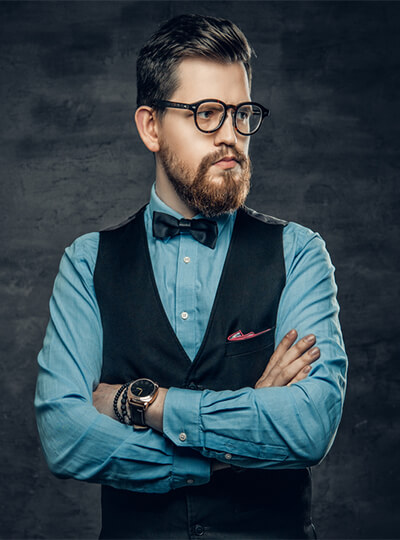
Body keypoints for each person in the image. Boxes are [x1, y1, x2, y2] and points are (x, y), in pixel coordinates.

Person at [35, 14, 347, 540]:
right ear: (151, 127)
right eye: (206, 113)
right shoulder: (87, 263)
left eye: (241, 114)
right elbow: (65, 437)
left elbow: (309, 426)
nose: (231, 136)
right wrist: (220, 452)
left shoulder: (298, 253)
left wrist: (144, 403)